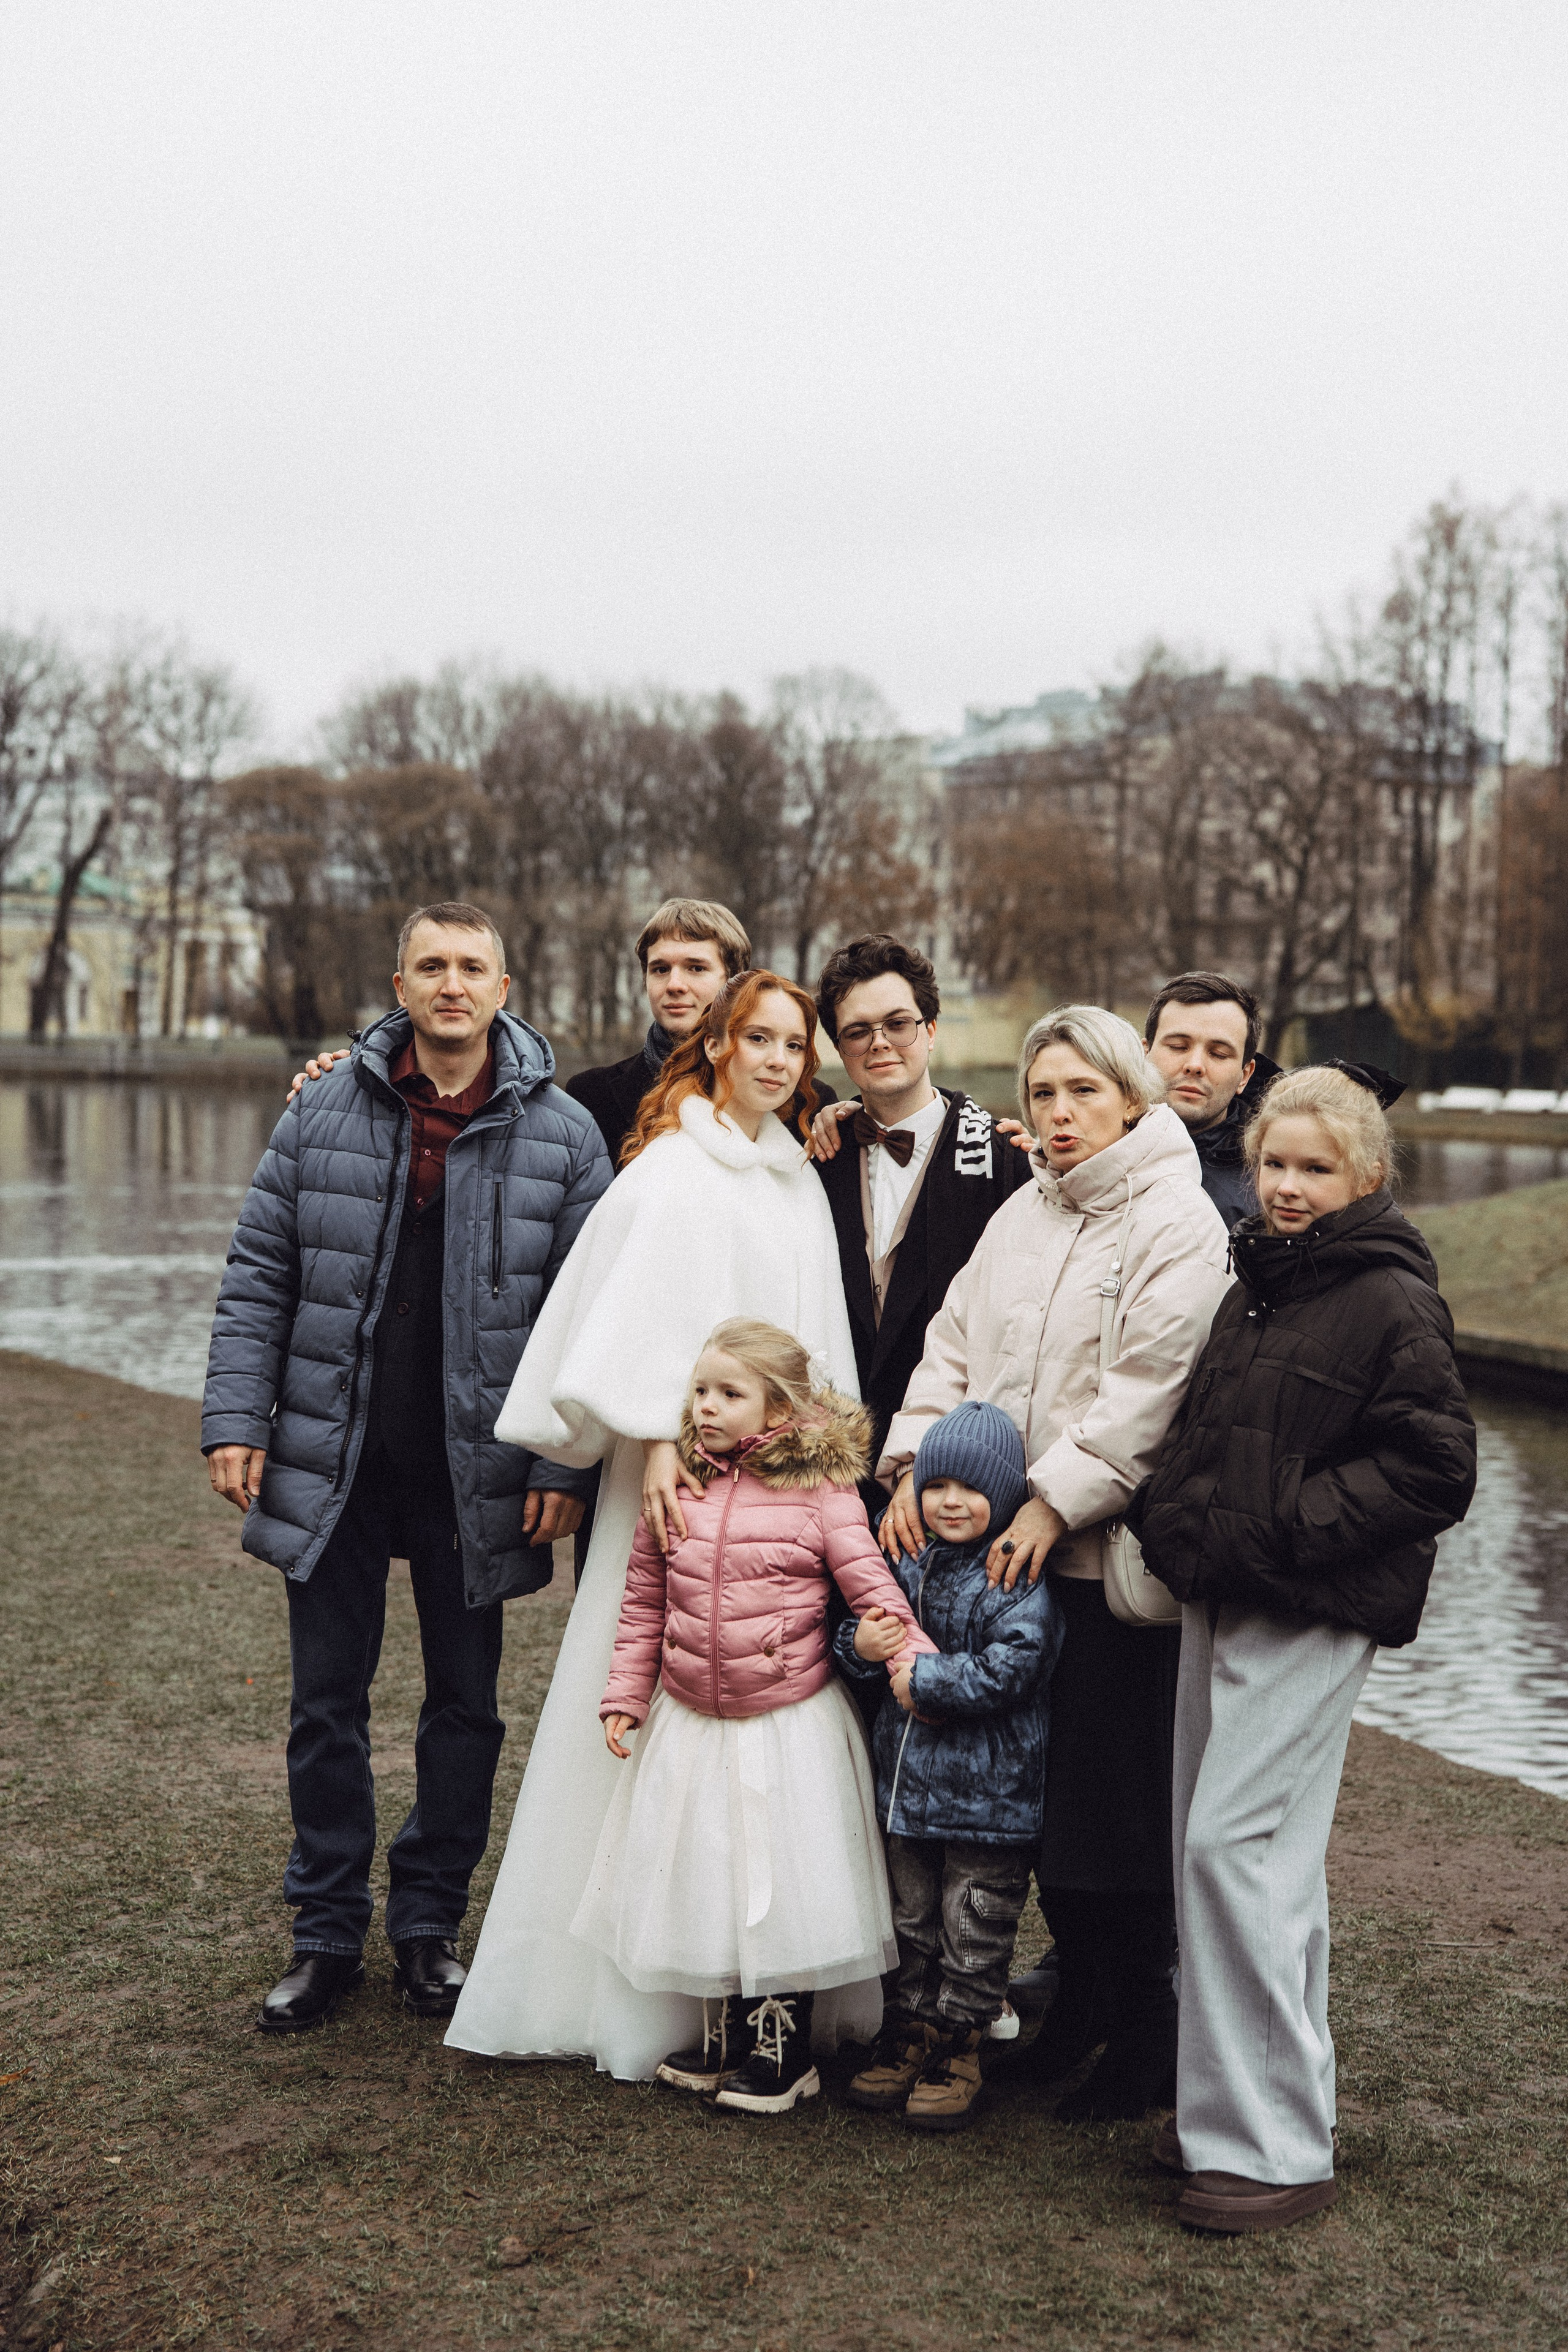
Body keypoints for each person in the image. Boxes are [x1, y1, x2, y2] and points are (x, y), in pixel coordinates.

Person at [443, 970, 867, 2080]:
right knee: (651, 1709)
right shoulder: (671, 1171)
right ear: (717, 1044)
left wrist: (806, 1462)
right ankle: (637, 1992)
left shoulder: (795, 1183)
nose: (778, 1059)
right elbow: (618, 1329)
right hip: (671, 1492)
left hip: (775, 1499)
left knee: (768, 1731)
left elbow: (815, 1352)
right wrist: (664, 1434)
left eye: (794, 1043)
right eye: (758, 1038)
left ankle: (760, 1990)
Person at [201, 902, 610, 2033]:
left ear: (504, 984)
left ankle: (428, 1927)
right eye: (431, 964)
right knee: (325, 1706)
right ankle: (325, 1933)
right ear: (399, 980)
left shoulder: (566, 1135)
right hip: (334, 1456)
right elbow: (258, 1278)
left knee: (465, 1709)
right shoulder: (321, 1109)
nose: (451, 983)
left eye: (472, 966)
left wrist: (563, 1469)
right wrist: (237, 1418)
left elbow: (586, 1325)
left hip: (474, 1474)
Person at [1128, 1063, 1476, 2235]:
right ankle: (1234, 2110)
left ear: (1364, 1176)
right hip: (1228, 1594)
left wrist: (1283, 1531)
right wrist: (1181, 1521)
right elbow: (1217, 1430)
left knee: (1241, 1852)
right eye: (1274, 1162)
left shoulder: (1389, 1298)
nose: (1284, 1185)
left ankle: (1274, 2152)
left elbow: (1437, 1469)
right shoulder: (1262, 1280)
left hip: (1309, 1606)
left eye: (1313, 1168)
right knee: (1227, 1858)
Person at [878, 1005, 1231, 2122]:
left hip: (1096, 1560)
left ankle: (1146, 2030)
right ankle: (1076, 2011)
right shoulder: (1025, 1214)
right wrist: (909, 1460)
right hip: (996, 1560)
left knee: (1111, 1811)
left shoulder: (1178, 1219)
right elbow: (952, 1345)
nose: (1060, 1112)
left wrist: (1051, 1499)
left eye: (1083, 1091)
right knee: (1042, 1807)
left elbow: (1151, 1389)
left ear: (1133, 1096)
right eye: (1042, 1095)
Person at [582, 1320, 935, 2114]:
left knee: (774, 1882)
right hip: (692, 1718)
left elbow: (871, 1584)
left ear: (777, 1411)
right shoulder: (679, 1485)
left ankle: (782, 2044)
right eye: (700, 1391)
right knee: (706, 1869)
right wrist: (625, 1693)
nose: (706, 1408)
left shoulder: (821, 1492)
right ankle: (724, 2033)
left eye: (729, 1394)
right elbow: (644, 1601)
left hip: (783, 1723)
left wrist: (913, 1658)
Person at [836, 1401, 1064, 2133]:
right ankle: (907, 2032)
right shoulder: (902, 1563)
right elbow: (864, 1634)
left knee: (974, 1923)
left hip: (987, 1801)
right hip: (906, 1795)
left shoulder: (1015, 1575)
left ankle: (960, 2045)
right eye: (937, 1487)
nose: (951, 1502)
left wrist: (930, 1682)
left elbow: (1017, 1665)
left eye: (971, 1490)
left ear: (1003, 1495)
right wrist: (858, 1646)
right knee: (910, 1922)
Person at [807, 935, 1032, 1510]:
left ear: (930, 1030)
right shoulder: (815, 1161)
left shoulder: (1005, 1160)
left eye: (898, 1023)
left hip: (952, 1469)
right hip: (833, 1465)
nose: (880, 1042)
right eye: (858, 1031)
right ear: (839, 1049)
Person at [564, 897, 752, 1164]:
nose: (674, 985)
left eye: (696, 968)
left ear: (735, 980)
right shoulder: (593, 1096)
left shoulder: (793, 1100)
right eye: (661, 969)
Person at [1142, 971, 1280, 1229]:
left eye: (1218, 1054)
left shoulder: (1272, 1183)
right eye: (1178, 1047)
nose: (1195, 1065)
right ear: (1145, 1053)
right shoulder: (1089, 1152)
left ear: (1245, 1075)